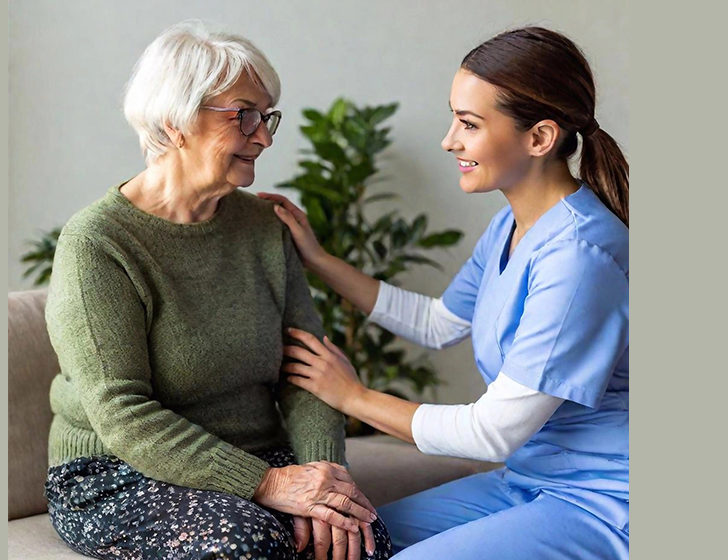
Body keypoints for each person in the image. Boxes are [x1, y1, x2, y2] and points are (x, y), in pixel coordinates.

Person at [259, 26, 629, 559]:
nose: (449, 139)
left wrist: (352, 396)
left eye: (469, 123)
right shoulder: (512, 226)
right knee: (355, 544)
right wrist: (320, 260)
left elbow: (491, 434)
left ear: (540, 138)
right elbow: (439, 323)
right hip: (525, 482)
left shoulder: (579, 257)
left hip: (602, 500)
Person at [43, 21, 392, 560]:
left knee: (359, 540)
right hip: (116, 470)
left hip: (257, 458)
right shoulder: (98, 243)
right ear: (175, 120)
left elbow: (309, 373)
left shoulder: (264, 228)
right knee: (245, 541)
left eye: (267, 116)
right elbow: (122, 413)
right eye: (244, 115)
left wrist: (327, 481)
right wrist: (272, 486)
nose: (266, 137)